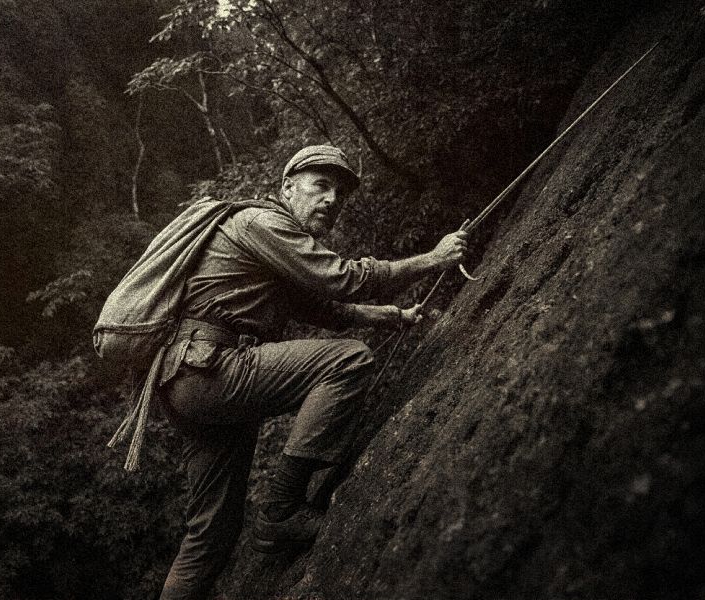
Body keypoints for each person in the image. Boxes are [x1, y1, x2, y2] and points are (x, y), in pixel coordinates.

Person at [155, 145, 469, 600]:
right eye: (321, 185)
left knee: (210, 537)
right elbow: (343, 278)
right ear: (287, 188)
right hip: (211, 367)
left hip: (188, 381)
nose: (332, 199)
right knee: (348, 360)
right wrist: (432, 259)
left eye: (339, 193)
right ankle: (281, 509)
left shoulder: (261, 241)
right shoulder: (262, 222)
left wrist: (390, 316)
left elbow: (323, 306)